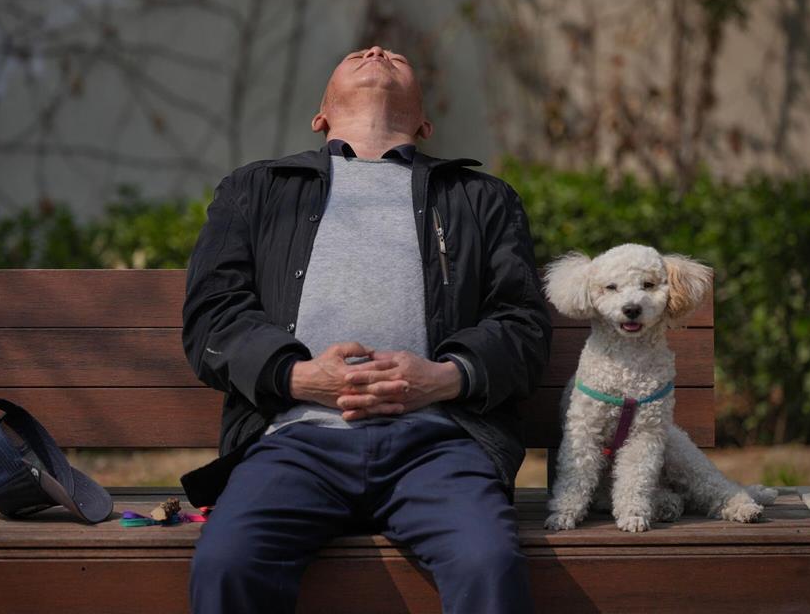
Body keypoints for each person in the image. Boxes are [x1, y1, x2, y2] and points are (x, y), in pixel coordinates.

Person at [181, 45, 553, 614]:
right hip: (295, 440)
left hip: (440, 444)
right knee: (227, 563)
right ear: (320, 117)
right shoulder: (256, 189)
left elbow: (523, 326)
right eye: (358, 52)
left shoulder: (481, 199)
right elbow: (213, 315)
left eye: (396, 56)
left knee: (488, 563)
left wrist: (444, 378)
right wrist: (299, 377)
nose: (376, 50)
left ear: (425, 124)